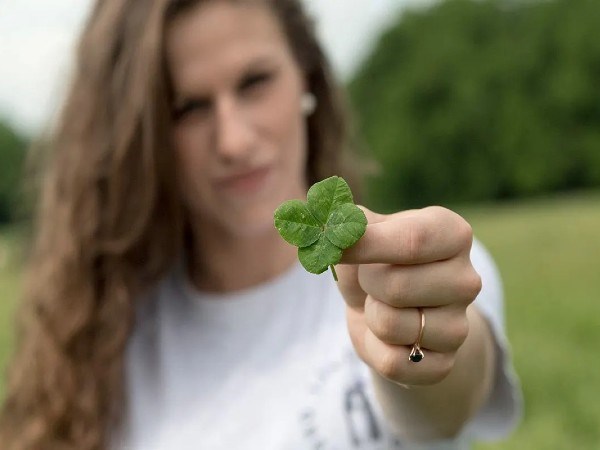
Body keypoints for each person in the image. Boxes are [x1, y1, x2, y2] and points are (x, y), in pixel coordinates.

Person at [0, 0, 521, 448]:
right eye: (188, 108)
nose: (234, 141)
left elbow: (444, 405)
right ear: (145, 139)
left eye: (255, 82)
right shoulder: (107, 336)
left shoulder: (408, 271)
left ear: (307, 79)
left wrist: (414, 350)